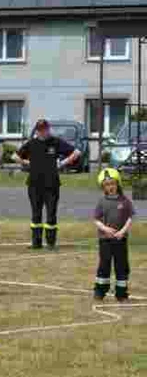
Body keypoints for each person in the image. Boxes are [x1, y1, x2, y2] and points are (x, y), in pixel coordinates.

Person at [12, 118, 81, 250]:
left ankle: (50, 243)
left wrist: (62, 163)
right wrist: (27, 163)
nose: (42, 132)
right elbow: (14, 157)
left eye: (45, 129)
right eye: (40, 130)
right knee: (36, 214)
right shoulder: (31, 143)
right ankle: (36, 243)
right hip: (34, 184)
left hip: (51, 184)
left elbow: (76, 152)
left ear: (48, 129)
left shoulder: (55, 142)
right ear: (36, 131)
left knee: (51, 214)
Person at [92, 168, 134, 302]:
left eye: (112, 184)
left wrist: (123, 231)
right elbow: (96, 219)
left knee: (121, 265)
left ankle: (121, 293)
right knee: (104, 264)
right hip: (105, 240)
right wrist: (105, 229)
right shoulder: (101, 201)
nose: (110, 187)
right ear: (103, 187)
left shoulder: (125, 201)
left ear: (118, 184)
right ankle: (100, 290)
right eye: (107, 185)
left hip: (120, 240)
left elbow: (130, 217)